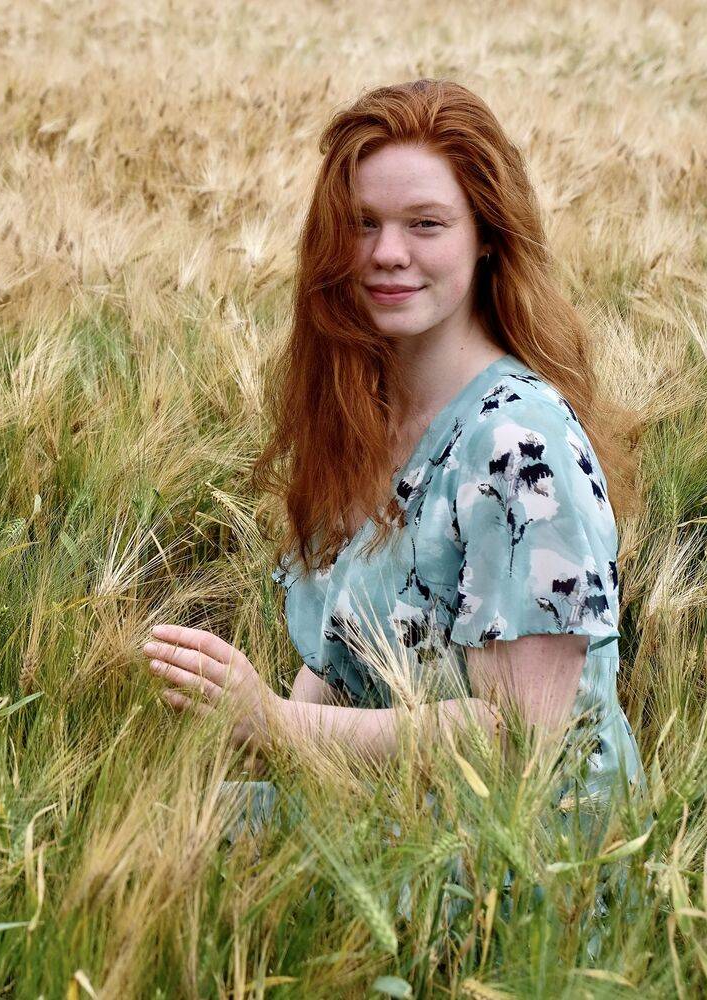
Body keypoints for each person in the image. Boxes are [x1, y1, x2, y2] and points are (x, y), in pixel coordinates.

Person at [138, 78, 645, 835]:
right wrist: (239, 739)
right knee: (161, 826)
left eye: (426, 224)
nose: (387, 253)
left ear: (487, 238)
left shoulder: (518, 445)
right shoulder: (362, 419)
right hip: (389, 815)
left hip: (518, 871)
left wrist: (275, 724)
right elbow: (342, 661)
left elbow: (524, 741)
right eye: (362, 223)